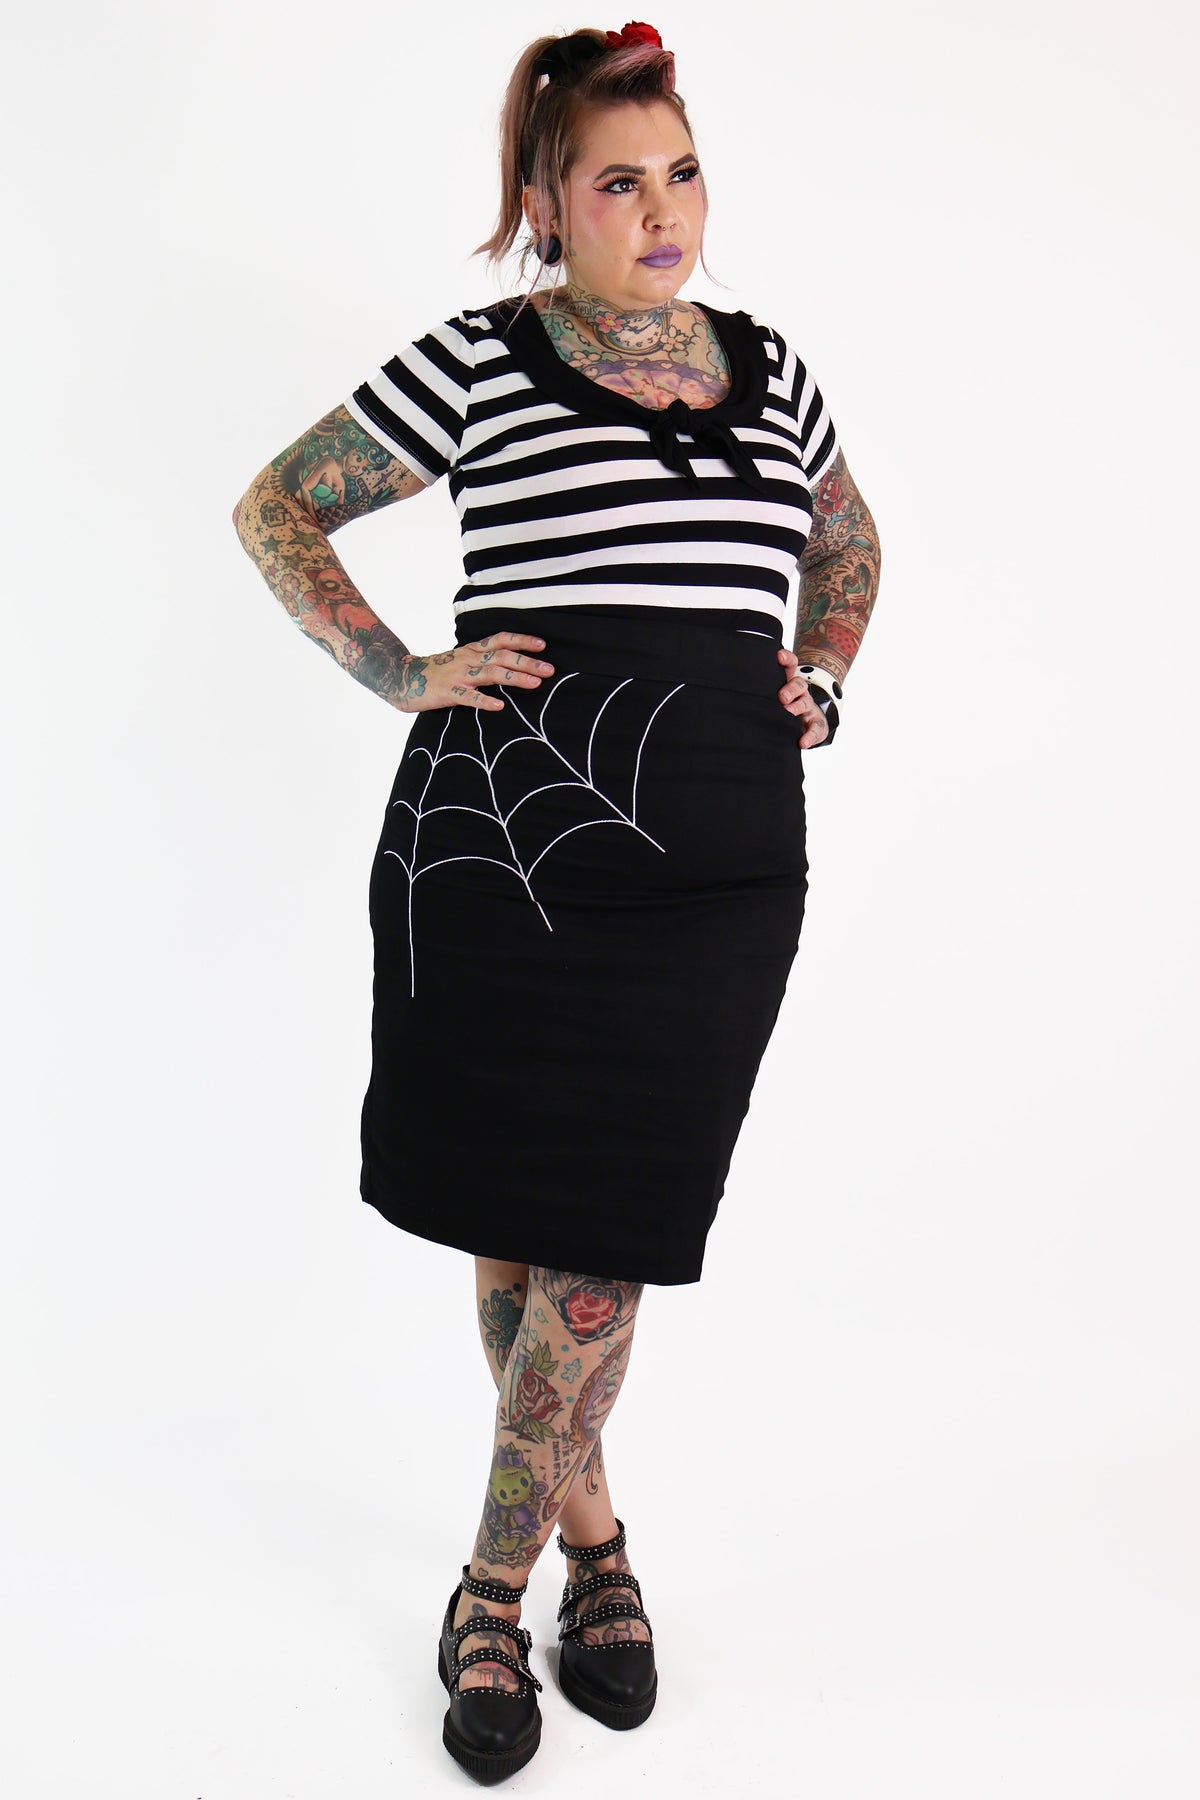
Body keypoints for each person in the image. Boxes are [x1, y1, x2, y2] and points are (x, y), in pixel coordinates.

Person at [233, 19, 881, 1785]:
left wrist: (823, 672)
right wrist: (402, 671)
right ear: (547, 201)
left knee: (608, 1240)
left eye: (684, 173)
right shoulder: (481, 362)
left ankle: (486, 1585)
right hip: (507, 851)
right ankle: (593, 1547)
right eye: (619, 181)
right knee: (522, 1233)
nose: (663, 212)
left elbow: (850, 538)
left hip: (721, 868)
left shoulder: (774, 370)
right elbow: (279, 508)